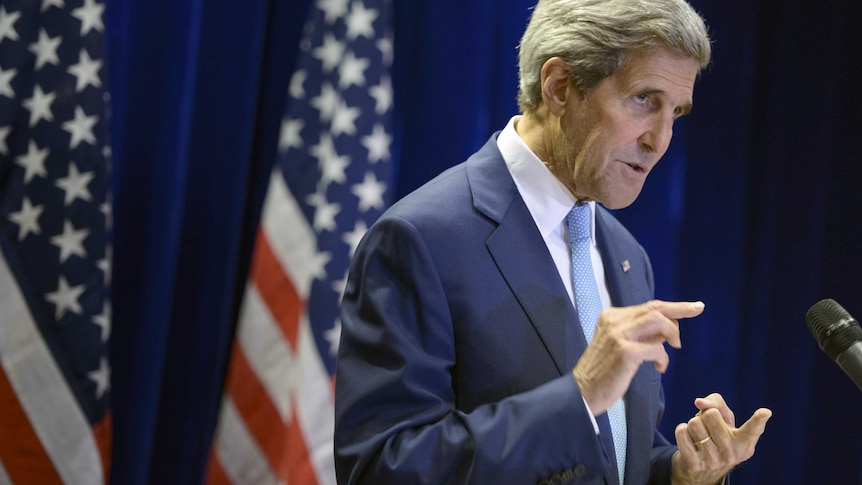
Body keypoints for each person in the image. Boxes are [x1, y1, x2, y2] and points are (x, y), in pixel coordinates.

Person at [334, 0, 772, 483]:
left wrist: (680, 474)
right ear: (560, 87)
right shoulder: (421, 240)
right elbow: (382, 467)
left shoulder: (627, 256)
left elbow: (610, 460)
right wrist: (580, 395)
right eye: (645, 100)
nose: (660, 140)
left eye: (676, 113)